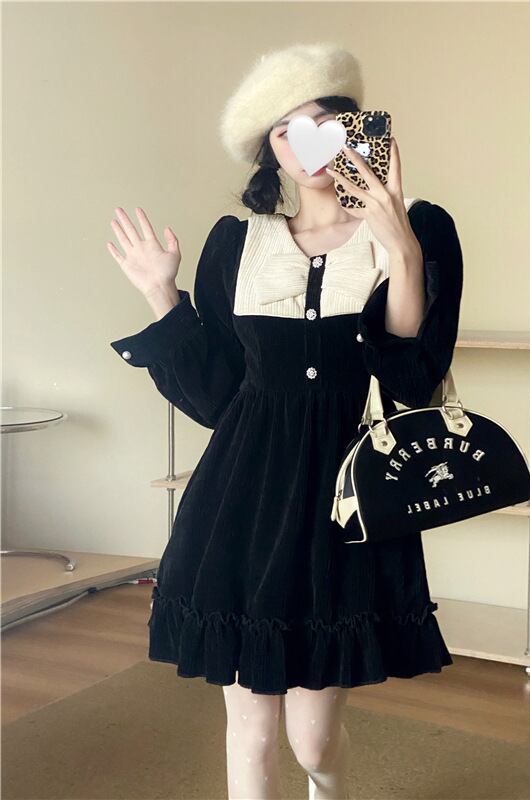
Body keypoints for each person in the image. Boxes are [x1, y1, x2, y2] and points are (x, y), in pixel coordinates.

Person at [107, 42, 463, 800]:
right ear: (268, 152)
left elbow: (411, 380)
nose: (308, 141)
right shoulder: (238, 243)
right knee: (252, 735)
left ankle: (328, 787)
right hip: (242, 499)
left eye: (327, 121)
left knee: (312, 741)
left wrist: (398, 245)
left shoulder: (423, 230)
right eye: (285, 129)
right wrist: (163, 297)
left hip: (344, 505)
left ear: (356, 130)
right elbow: (217, 400)